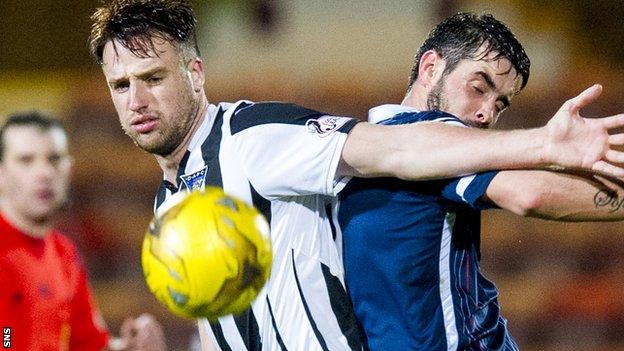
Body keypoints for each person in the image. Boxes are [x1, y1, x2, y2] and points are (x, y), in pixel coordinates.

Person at [88, 1, 624, 350]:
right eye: (120, 85)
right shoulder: (170, 207)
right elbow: (225, 325)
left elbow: (389, 148)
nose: (137, 99)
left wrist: (541, 143)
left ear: (195, 72)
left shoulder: (251, 136)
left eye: (154, 77)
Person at [337, 12, 624, 351]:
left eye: (499, 104)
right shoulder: (432, 138)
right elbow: (528, 194)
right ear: (431, 68)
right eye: (478, 87)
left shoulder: (345, 152)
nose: (487, 113)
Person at [0, 112, 166, 351]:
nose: (44, 173)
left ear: (69, 169)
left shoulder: (64, 254)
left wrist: (129, 347)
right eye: (26, 160)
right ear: (1, 173)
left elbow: (88, 344)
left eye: (54, 159)